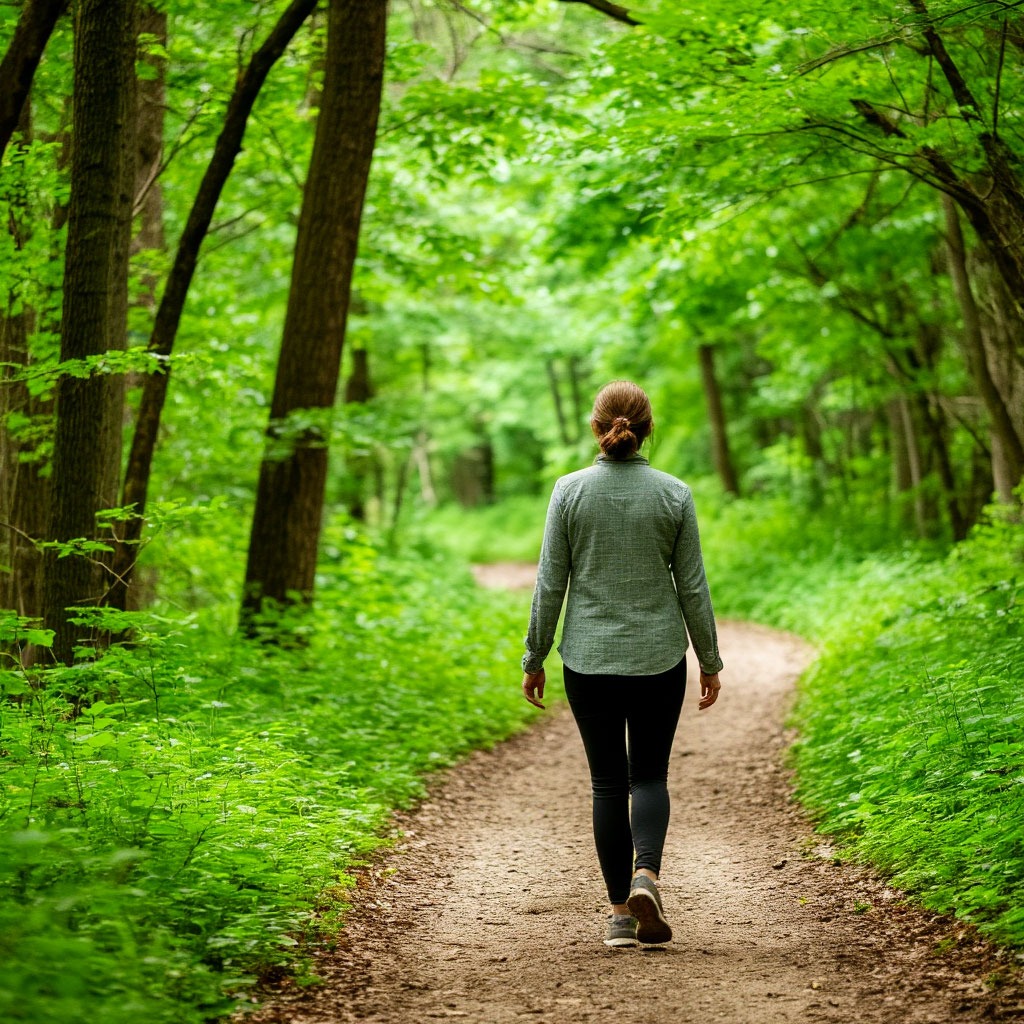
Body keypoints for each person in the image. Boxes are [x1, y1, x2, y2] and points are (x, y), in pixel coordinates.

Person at [521, 379, 723, 949]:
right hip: (659, 659)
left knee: (608, 785)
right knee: (651, 776)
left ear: (597, 427)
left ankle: (619, 918)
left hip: (588, 661)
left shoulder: (568, 492)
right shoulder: (674, 494)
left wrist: (534, 655)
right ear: (647, 429)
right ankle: (647, 876)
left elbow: (549, 584)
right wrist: (709, 659)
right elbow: (693, 587)